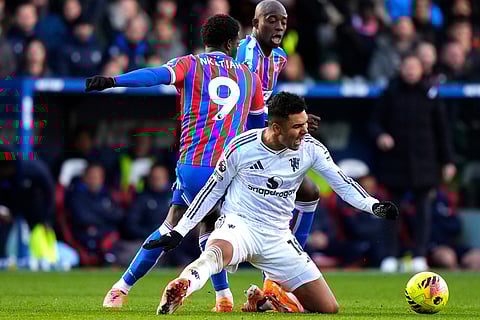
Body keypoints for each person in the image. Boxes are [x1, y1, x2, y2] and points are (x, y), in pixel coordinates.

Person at [144, 92, 399, 315]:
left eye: (305, 123)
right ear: (276, 128)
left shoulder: (310, 148)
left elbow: (341, 182)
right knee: (215, 254)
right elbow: (212, 191)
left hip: (278, 237)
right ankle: (183, 286)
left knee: (327, 308)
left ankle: (269, 301)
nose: (305, 131)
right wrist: (179, 230)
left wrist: (373, 205)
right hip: (239, 226)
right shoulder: (241, 147)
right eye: (297, 126)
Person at [85, 14, 265, 311]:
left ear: (206, 40)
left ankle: (120, 289)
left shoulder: (190, 64)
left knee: (172, 225)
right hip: (228, 170)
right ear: (232, 43)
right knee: (211, 230)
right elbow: (259, 130)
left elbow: (155, 75)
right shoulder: (249, 77)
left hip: (193, 166)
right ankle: (223, 298)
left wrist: (114, 81)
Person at [235, 0, 321, 305]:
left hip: (264, 135)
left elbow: (271, 103)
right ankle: (271, 279)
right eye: (272, 20)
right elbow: (247, 102)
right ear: (256, 23)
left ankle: (278, 276)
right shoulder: (246, 53)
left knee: (309, 192)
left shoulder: (280, 57)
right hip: (240, 140)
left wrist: (297, 119)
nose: (279, 26)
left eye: (283, 21)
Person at [369, 55, 456, 272]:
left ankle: (419, 255)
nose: (410, 71)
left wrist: (447, 161)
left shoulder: (430, 93)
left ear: (421, 69)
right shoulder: (390, 92)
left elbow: (442, 131)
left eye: (414, 67)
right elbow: (373, 123)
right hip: (395, 162)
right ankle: (389, 256)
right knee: (390, 211)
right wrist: (381, 135)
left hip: (424, 163)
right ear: (401, 69)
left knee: (424, 212)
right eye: (406, 67)